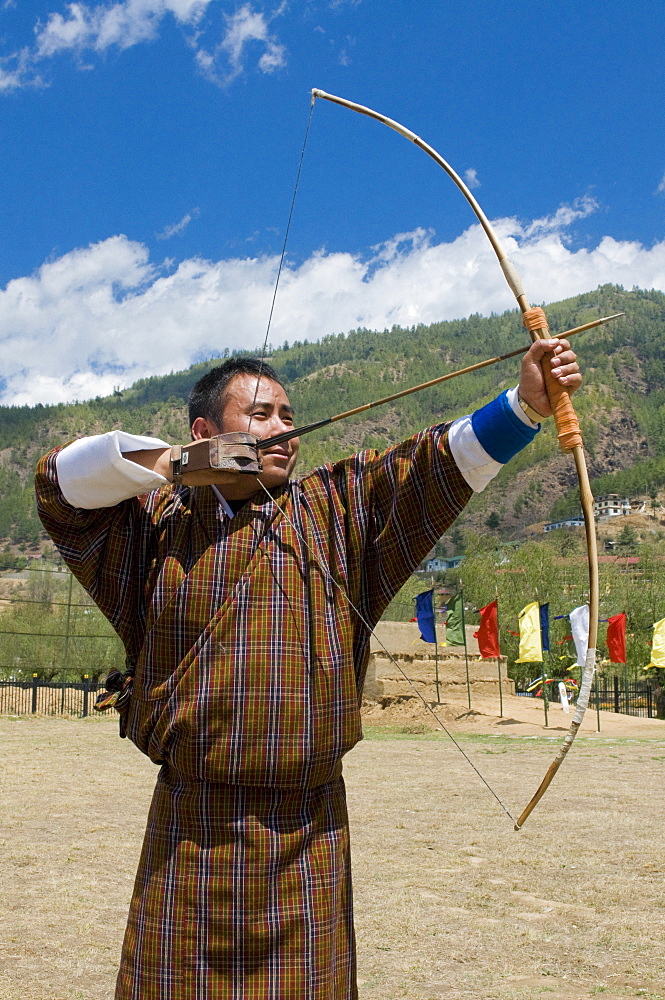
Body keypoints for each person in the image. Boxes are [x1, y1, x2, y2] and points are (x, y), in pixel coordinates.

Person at [35, 332, 581, 1000]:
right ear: (205, 430)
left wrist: (524, 405)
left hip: (309, 828)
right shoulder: (151, 523)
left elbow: (434, 468)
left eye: (289, 418)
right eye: (260, 416)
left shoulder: (336, 509)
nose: (283, 432)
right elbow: (57, 482)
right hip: (192, 824)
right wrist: (178, 464)